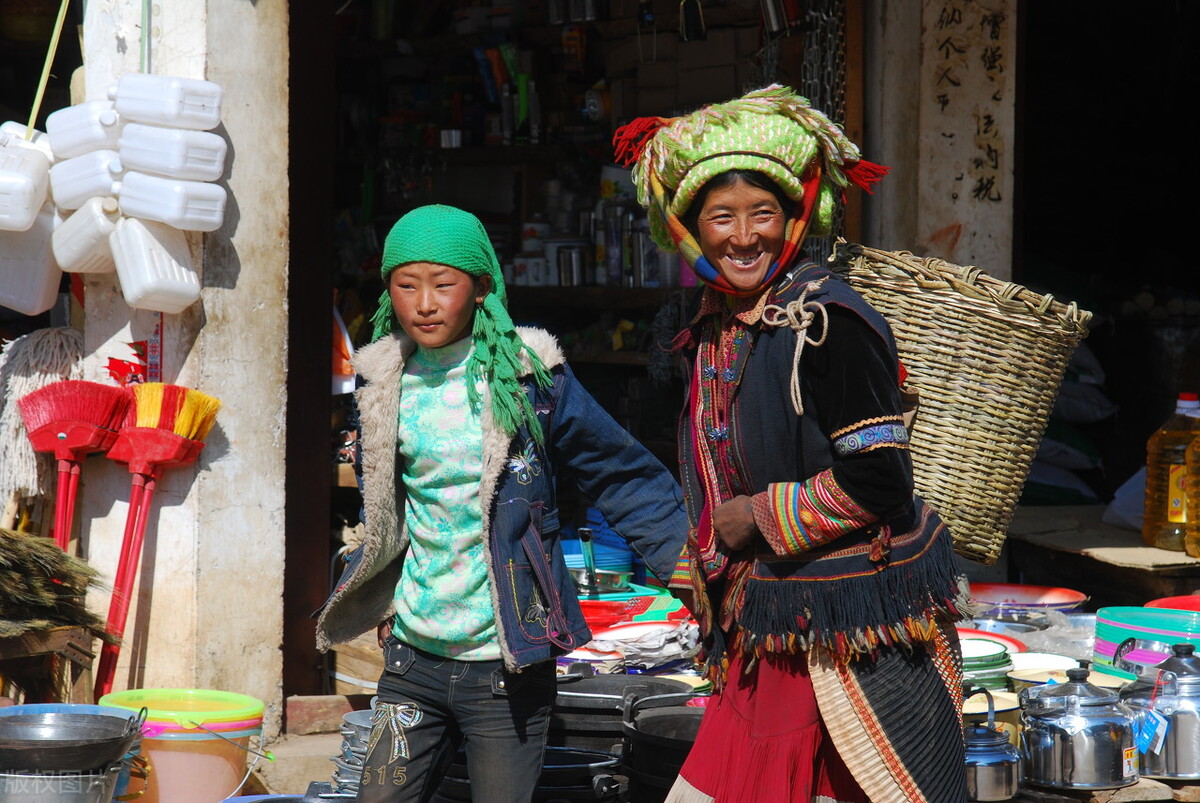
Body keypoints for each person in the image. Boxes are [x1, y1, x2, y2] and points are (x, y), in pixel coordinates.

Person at [614, 84, 971, 802]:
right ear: (688, 229)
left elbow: (879, 482)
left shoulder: (828, 321)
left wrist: (754, 516)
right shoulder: (708, 322)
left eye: (764, 214)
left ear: (796, 217)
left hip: (847, 627)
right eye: (722, 217)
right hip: (769, 624)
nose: (745, 237)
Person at [314, 204, 692, 802]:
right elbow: (387, 510)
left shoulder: (531, 378)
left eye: (444, 284)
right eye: (406, 285)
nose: (425, 304)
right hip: (413, 660)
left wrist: (693, 563)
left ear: (482, 286)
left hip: (506, 664)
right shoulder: (382, 382)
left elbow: (620, 473)